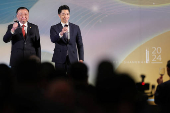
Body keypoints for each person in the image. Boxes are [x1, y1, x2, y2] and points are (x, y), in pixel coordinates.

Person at [50, 5, 84, 76]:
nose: (66, 16)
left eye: (67, 14)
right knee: (59, 79)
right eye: (63, 14)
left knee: (72, 79)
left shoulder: (76, 27)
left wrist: (81, 58)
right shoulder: (54, 28)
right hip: (59, 58)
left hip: (73, 58)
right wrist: (61, 33)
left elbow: (80, 44)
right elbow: (53, 39)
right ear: (59, 15)